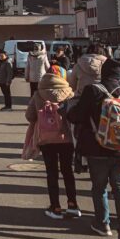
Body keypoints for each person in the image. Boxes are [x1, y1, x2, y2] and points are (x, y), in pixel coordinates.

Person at [67, 59, 120, 239]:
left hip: (96, 147)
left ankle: (102, 224)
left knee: (99, 188)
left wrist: (68, 110)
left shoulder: (93, 90)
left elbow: (77, 116)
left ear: (102, 72)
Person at [25, 66, 80, 219]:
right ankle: (73, 204)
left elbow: (30, 116)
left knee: (52, 172)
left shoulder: (39, 93)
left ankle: (55, 206)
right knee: (67, 171)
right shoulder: (69, 93)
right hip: (66, 138)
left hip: (46, 139)